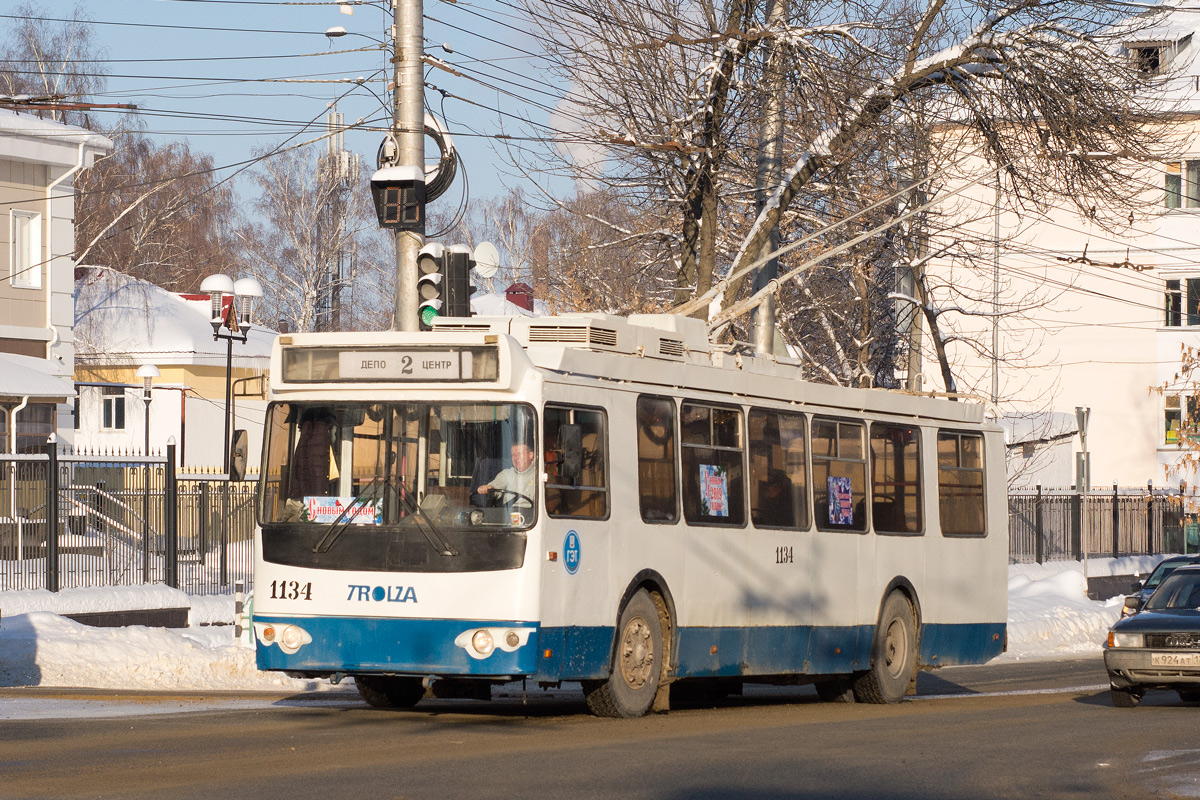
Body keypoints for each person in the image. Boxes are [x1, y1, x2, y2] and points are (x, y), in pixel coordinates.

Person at [476, 441, 537, 508]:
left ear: (531, 455)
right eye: (513, 455)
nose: (516, 458)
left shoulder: (540, 475)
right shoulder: (507, 474)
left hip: (533, 516)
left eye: (519, 454)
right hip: (509, 514)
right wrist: (489, 488)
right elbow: (498, 484)